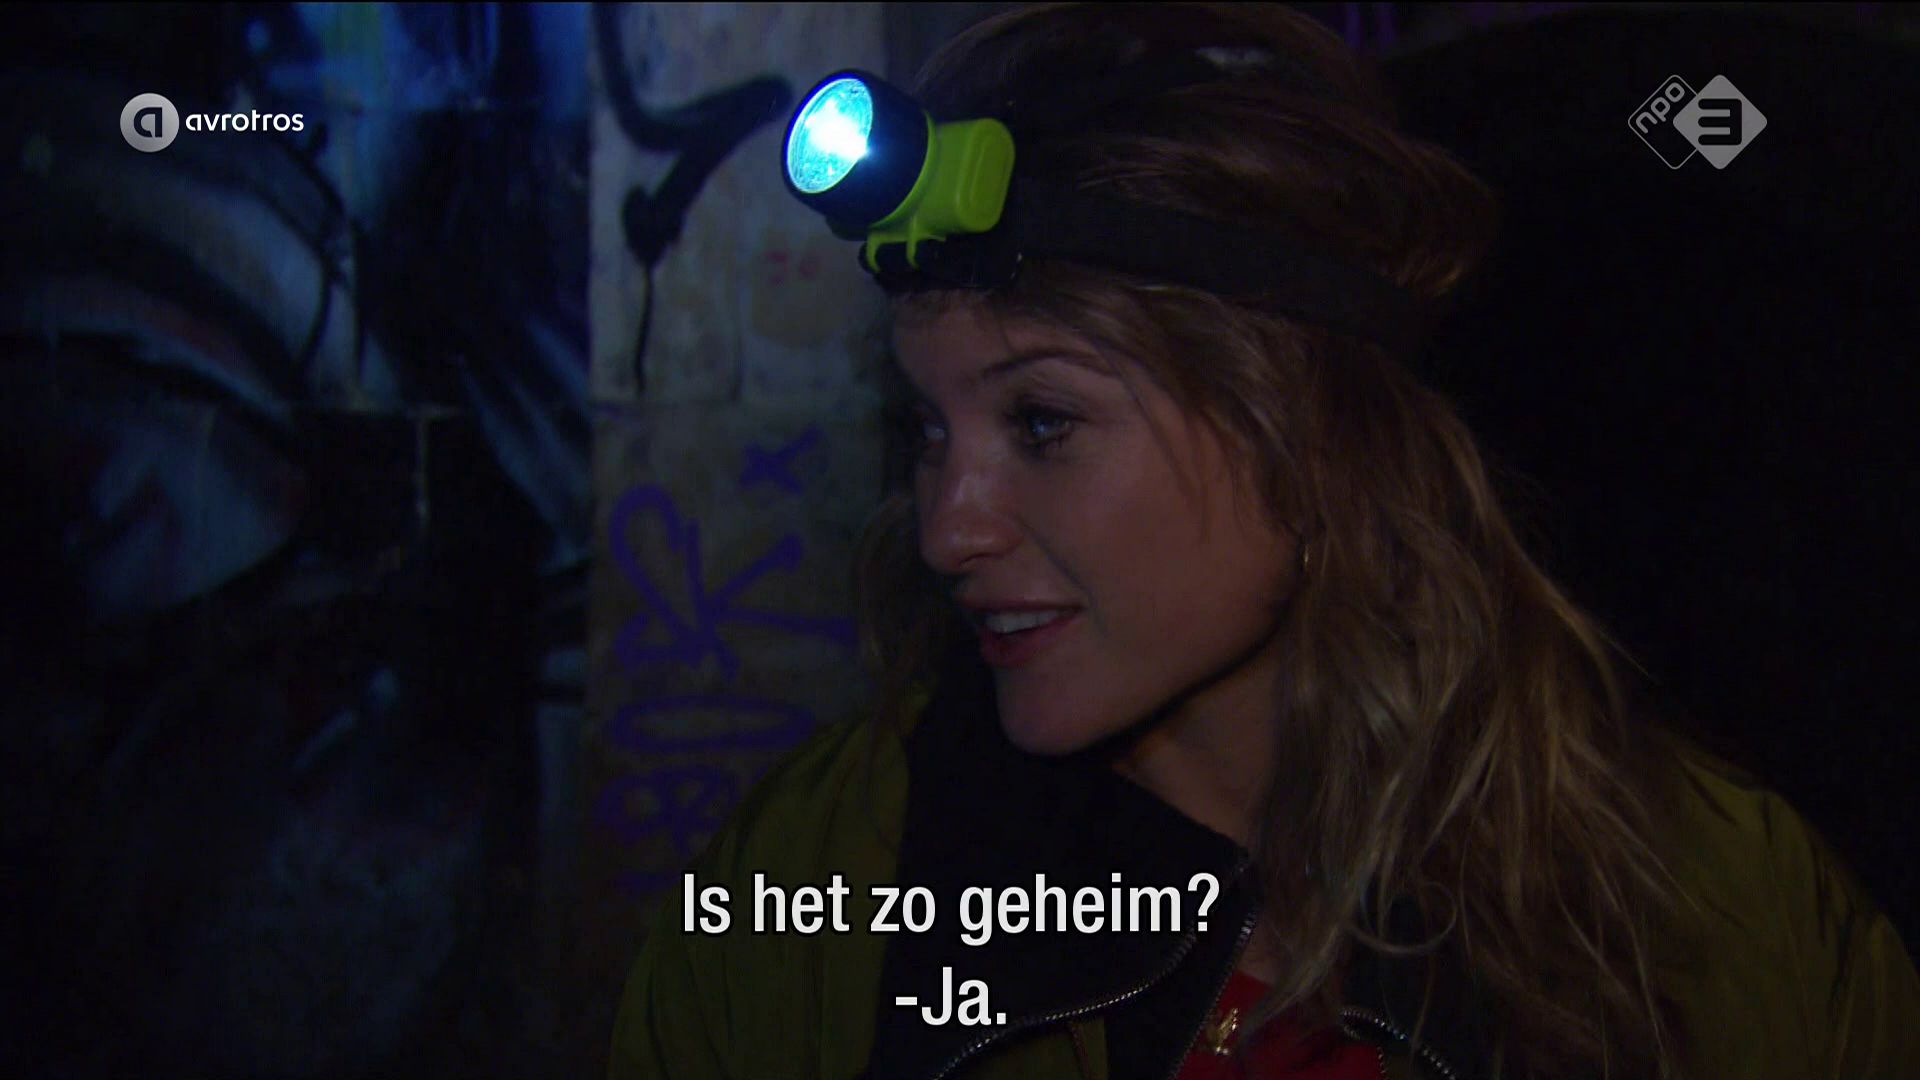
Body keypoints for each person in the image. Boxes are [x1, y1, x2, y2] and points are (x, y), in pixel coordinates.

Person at [608, 4, 1920, 1077]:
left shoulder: (1715, 911)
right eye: (929, 429)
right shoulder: (817, 892)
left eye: (1044, 423)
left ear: (1309, 435)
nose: (950, 525)